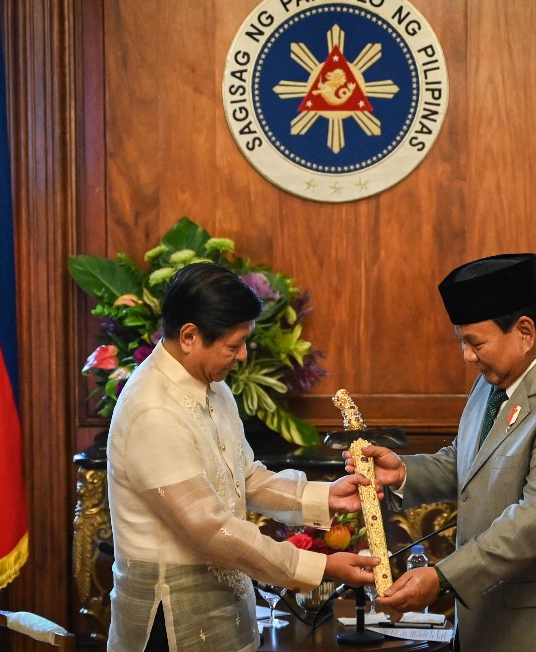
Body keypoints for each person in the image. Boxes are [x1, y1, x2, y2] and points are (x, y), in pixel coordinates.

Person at [339, 253, 536, 652]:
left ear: (524, 331)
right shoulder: (497, 378)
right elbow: (470, 461)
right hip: (498, 616)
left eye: (476, 343)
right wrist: (402, 473)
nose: (467, 356)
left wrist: (444, 578)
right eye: (462, 342)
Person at [106, 262, 378, 652]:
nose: (243, 356)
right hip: (171, 622)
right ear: (189, 336)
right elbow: (211, 531)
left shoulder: (212, 387)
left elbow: (243, 476)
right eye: (233, 346)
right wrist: (318, 567)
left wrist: (325, 497)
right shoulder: (153, 410)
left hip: (227, 609)